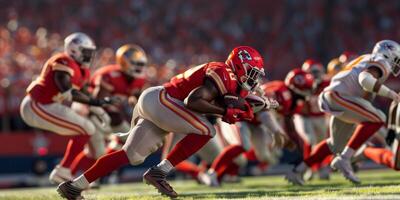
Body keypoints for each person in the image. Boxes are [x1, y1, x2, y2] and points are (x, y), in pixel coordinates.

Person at [57, 46, 264, 199]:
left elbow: (217, 101)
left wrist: (235, 108)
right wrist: (225, 110)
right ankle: (160, 171)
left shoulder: (228, 78)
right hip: (163, 99)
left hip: (159, 103)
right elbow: (193, 101)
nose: (254, 79)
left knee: (130, 155)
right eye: (252, 73)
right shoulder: (223, 73)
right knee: (207, 130)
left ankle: (75, 186)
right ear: (239, 66)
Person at [286, 40, 400, 185]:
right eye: (396, 59)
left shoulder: (366, 58)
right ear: (388, 54)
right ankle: (345, 159)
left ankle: (297, 170)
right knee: (378, 118)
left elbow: (363, 89)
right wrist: (392, 94)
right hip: (340, 96)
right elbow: (365, 80)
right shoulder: (381, 62)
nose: (397, 64)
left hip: (335, 96)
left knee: (334, 145)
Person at [19, 32, 112, 184]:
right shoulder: (63, 60)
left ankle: (65, 171)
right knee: (86, 128)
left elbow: (85, 96)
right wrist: (97, 104)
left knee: (87, 129)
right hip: (36, 105)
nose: (90, 56)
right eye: (86, 52)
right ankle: (63, 171)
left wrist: (101, 110)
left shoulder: (83, 71)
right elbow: (67, 90)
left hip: (47, 105)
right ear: (74, 50)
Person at [69, 44, 149, 176]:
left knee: (132, 141)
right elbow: (97, 101)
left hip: (111, 116)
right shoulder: (109, 75)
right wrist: (112, 110)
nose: (139, 68)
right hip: (89, 111)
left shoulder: (139, 79)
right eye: (136, 64)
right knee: (97, 152)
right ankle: (72, 175)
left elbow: (138, 100)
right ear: (124, 62)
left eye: (141, 64)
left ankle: (79, 174)